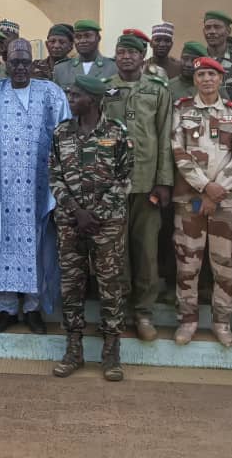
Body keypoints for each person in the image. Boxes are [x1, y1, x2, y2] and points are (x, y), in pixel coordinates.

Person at [0, 39, 70, 333]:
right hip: (2, 190)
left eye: (25, 62)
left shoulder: (52, 94)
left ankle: (33, 308)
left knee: (39, 245)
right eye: (15, 62)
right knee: (1, 244)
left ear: (32, 63)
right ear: (5, 62)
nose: (20, 68)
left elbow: (65, 135)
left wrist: (61, 186)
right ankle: (7, 308)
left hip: (40, 188)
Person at [49, 75, 133, 381]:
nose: (70, 99)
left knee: (111, 286)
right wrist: (76, 211)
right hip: (71, 222)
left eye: (75, 95)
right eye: (70, 94)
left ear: (93, 100)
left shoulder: (116, 132)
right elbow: (53, 175)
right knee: (71, 287)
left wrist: (94, 212)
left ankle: (111, 352)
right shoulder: (61, 132)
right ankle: (74, 349)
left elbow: (125, 178)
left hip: (107, 224)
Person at [171, 57, 232, 347]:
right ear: (195, 79)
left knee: (224, 264)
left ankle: (221, 322)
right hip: (190, 198)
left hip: (225, 202)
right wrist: (205, 187)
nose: (206, 79)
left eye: (212, 74)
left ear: (220, 79)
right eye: (201, 74)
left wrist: (219, 189)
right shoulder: (182, 109)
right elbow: (177, 150)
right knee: (187, 263)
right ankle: (187, 321)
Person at [102, 32, 173, 342]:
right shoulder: (105, 90)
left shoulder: (157, 91)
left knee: (146, 252)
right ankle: (116, 310)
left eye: (133, 52)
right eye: (121, 51)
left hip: (146, 185)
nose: (126, 57)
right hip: (112, 185)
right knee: (114, 252)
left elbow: (165, 137)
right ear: (115, 55)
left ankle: (144, 313)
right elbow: (97, 136)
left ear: (143, 57)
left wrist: (164, 181)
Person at [201, 11, 232, 102]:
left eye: (217, 27)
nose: (212, 31)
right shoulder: (198, 59)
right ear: (204, 31)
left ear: (228, 31)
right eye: (208, 28)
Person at [54, 20, 116, 88]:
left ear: (98, 38)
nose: (82, 41)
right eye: (78, 37)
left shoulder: (113, 67)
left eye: (87, 36)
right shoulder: (61, 69)